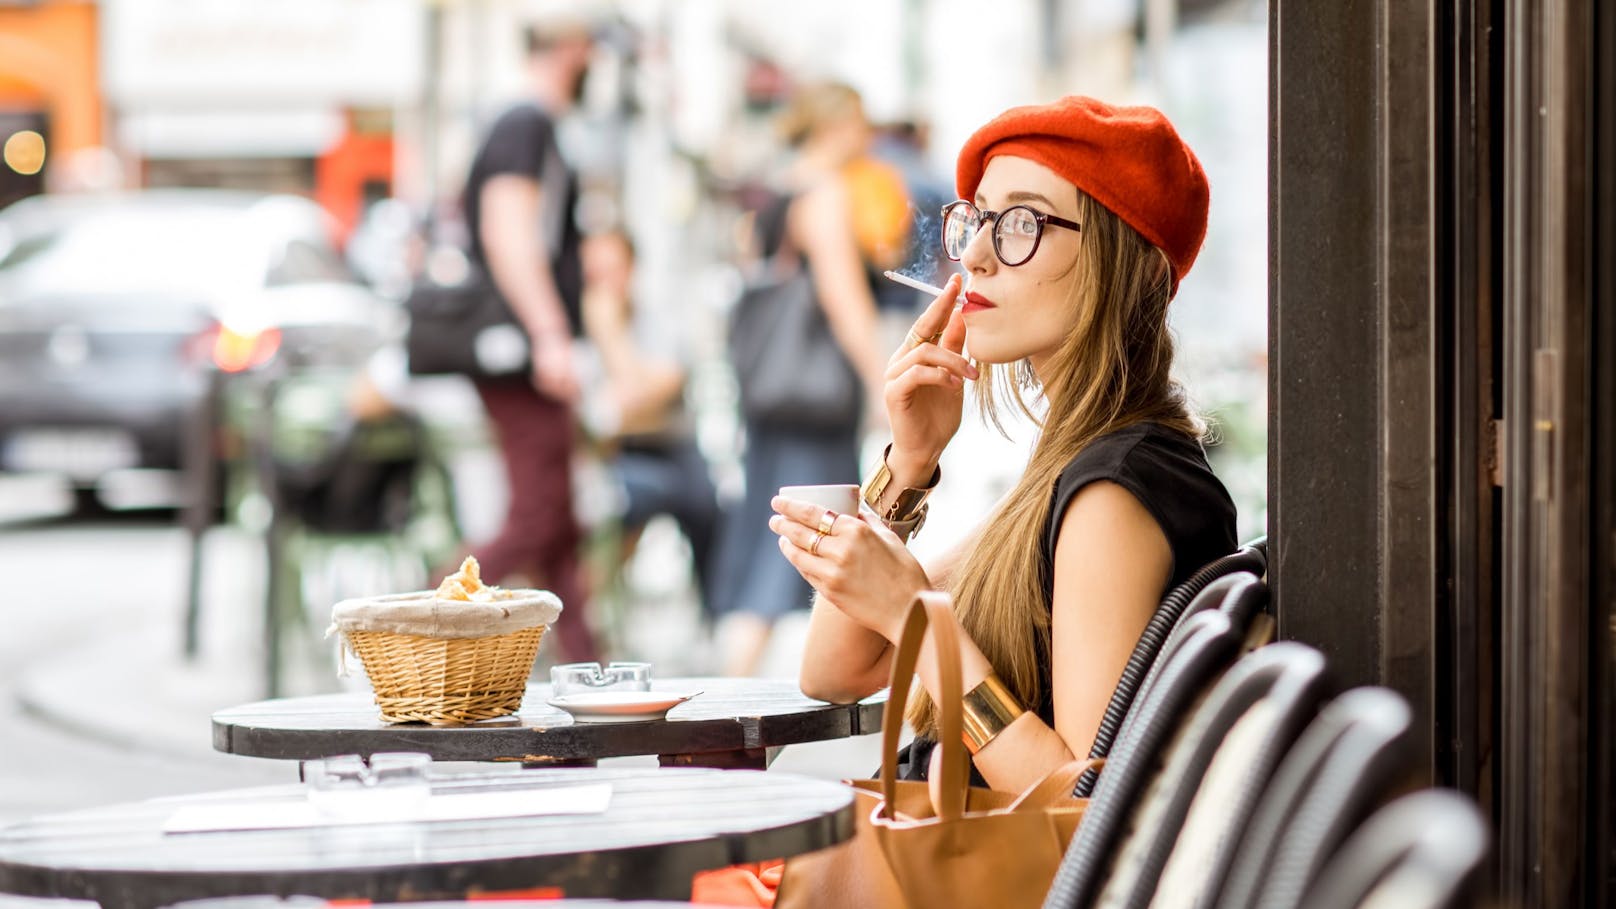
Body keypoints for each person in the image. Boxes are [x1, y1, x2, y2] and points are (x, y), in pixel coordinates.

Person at [771, 95, 1238, 792]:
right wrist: (909, 463)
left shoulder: (1115, 489)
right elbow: (835, 670)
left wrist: (917, 622)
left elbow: (1079, 807)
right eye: (978, 218)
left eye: (1021, 221)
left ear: (1118, 260)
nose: (980, 256)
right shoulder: (1073, 466)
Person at [710, 82, 897, 677]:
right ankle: (736, 695)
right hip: (814, 404)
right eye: (861, 123)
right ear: (836, 124)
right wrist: (882, 385)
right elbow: (844, 300)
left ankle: (733, 686)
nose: (867, 139)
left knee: (774, 537)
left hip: (774, 398)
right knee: (808, 539)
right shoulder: (824, 193)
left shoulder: (776, 192)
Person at [459, 20, 599, 663]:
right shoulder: (525, 121)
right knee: (537, 518)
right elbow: (508, 231)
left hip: (521, 352)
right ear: (570, 47)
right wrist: (549, 335)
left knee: (557, 527)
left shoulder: (524, 121)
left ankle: (584, 663)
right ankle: (417, 621)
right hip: (516, 354)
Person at [576, 228, 721, 617]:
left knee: (706, 506)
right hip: (610, 454)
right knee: (623, 506)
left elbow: (646, 393)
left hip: (670, 444)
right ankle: (594, 611)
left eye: (612, 269)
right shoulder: (574, 333)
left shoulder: (660, 323)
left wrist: (611, 334)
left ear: (632, 269)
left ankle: (715, 615)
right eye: (593, 273)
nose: (603, 283)